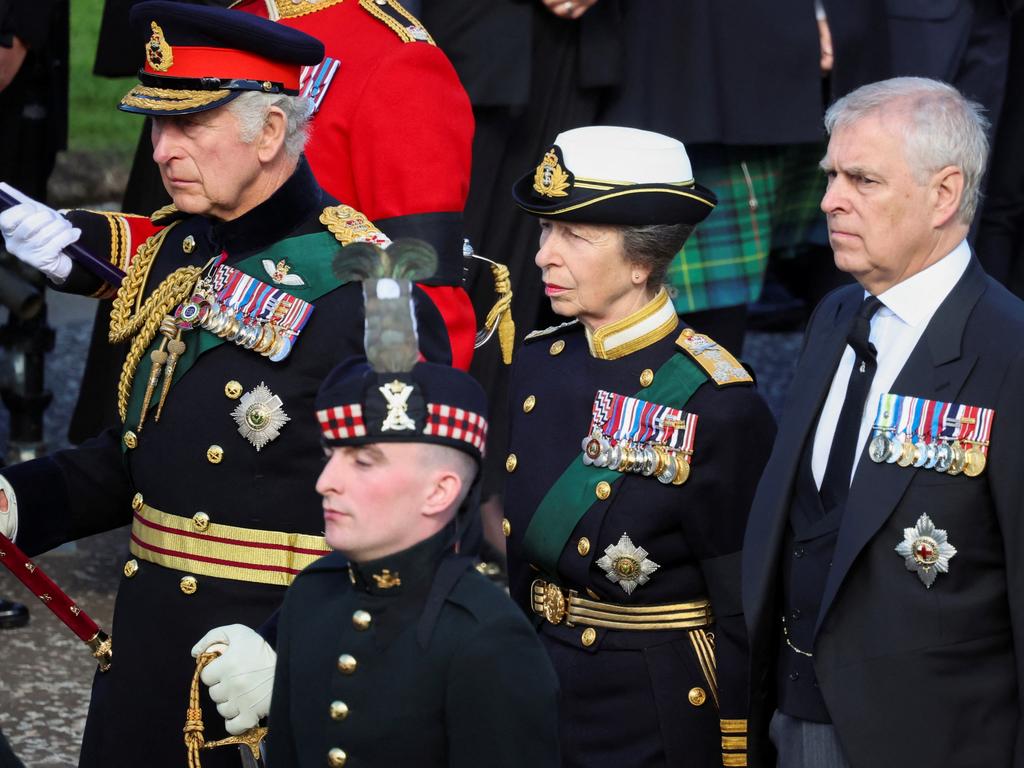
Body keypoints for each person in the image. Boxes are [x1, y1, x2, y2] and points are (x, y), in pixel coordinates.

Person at [0, 3, 469, 765]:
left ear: (272, 133)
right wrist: (22, 501)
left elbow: (417, 517)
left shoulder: (373, 290)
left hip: (267, 681)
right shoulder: (181, 253)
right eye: (156, 126)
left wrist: (297, 652)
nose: (161, 150)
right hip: (148, 671)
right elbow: (141, 461)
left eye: (190, 127)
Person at [742, 77, 1024, 767]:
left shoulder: (1010, 351)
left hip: (935, 741)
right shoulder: (836, 316)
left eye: (863, 179)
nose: (833, 199)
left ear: (944, 194)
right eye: (832, 175)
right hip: (788, 718)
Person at [69, 0, 476, 443]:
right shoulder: (235, 21)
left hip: (300, 426)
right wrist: (80, 244)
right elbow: (201, 243)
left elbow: (424, 299)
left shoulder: (395, 59)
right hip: (187, 390)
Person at [502, 125, 777, 767]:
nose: (544, 254)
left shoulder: (718, 402)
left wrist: (739, 747)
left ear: (641, 261)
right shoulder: (540, 363)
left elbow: (745, 611)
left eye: (574, 235)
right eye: (545, 230)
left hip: (654, 708)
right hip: (541, 686)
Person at [248, 267, 561, 767]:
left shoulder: (486, 637)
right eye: (332, 455)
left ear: (440, 491)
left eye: (364, 461)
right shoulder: (311, 594)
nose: (326, 481)